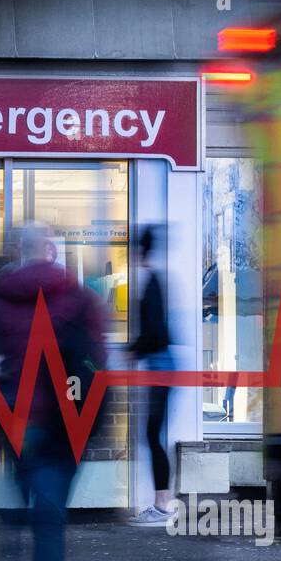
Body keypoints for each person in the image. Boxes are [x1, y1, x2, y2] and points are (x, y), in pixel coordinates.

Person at [0, 224, 106, 561]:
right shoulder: (78, 297)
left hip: (17, 423)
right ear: (51, 251)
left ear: (20, 251)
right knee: (50, 518)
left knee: (16, 506)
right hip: (63, 423)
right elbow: (97, 362)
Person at [130, 225, 175, 525]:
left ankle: (163, 504)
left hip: (161, 368)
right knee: (152, 434)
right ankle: (162, 501)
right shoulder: (155, 281)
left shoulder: (153, 284)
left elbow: (156, 333)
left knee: (152, 434)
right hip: (161, 367)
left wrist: (131, 352)